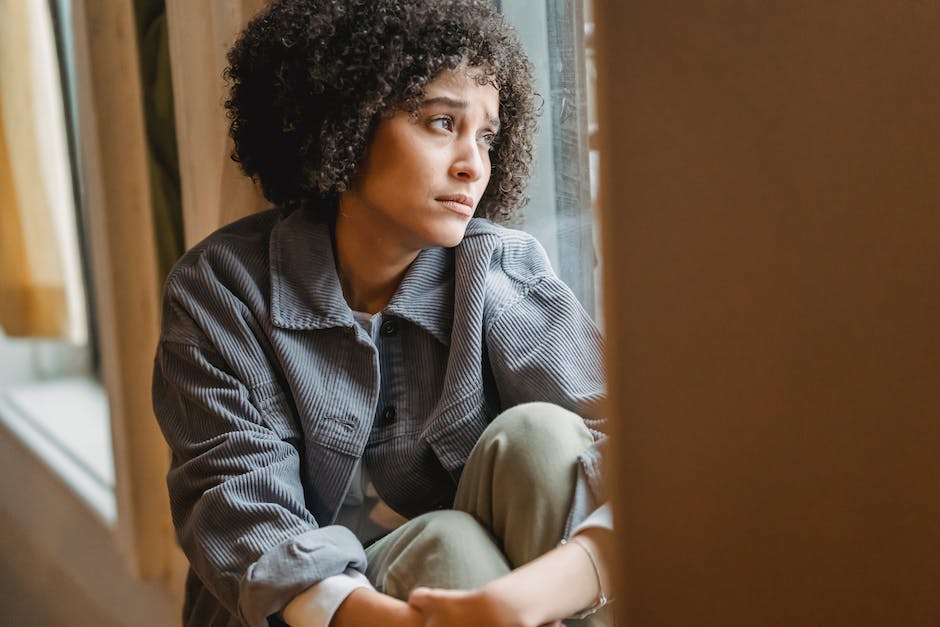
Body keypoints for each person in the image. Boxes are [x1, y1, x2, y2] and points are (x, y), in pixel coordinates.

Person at [152, 1, 613, 625]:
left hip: (495, 609)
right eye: (440, 121)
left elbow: (635, 463)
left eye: (486, 135)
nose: (473, 165)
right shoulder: (222, 290)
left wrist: (510, 604)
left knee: (545, 439)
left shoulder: (500, 272)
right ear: (346, 118)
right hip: (320, 617)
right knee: (450, 547)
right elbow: (238, 505)